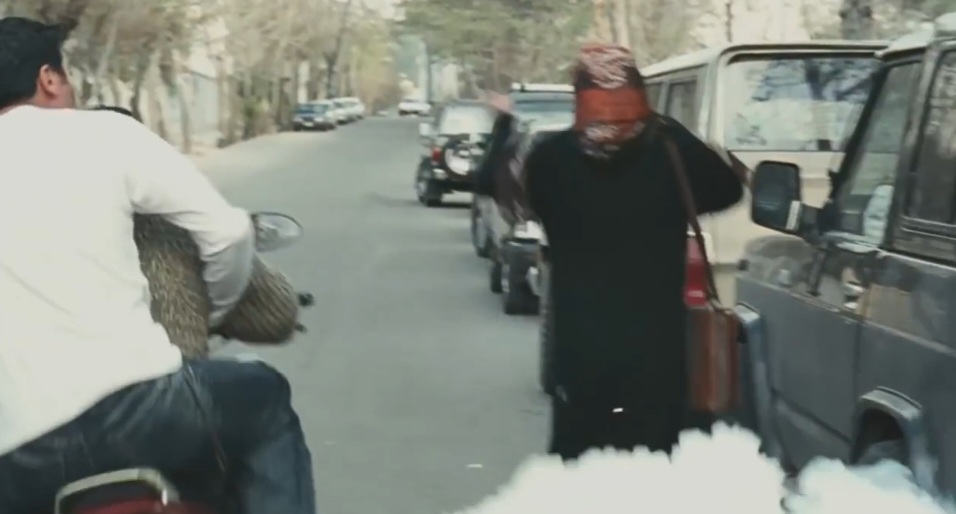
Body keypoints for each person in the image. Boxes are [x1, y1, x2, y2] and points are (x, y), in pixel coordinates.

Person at [0, 17, 315, 514]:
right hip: (141, 411)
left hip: (15, 458)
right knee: (266, 399)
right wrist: (217, 309)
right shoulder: (104, 133)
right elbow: (228, 233)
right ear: (49, 79)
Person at [503, 44, 744, 461]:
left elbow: (519, 200)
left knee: (582, 459)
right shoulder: (671, 151)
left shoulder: (550, 159)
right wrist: (666, 129)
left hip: (580, 350)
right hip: (656, 351)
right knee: (652, 461)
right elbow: (727, 188)